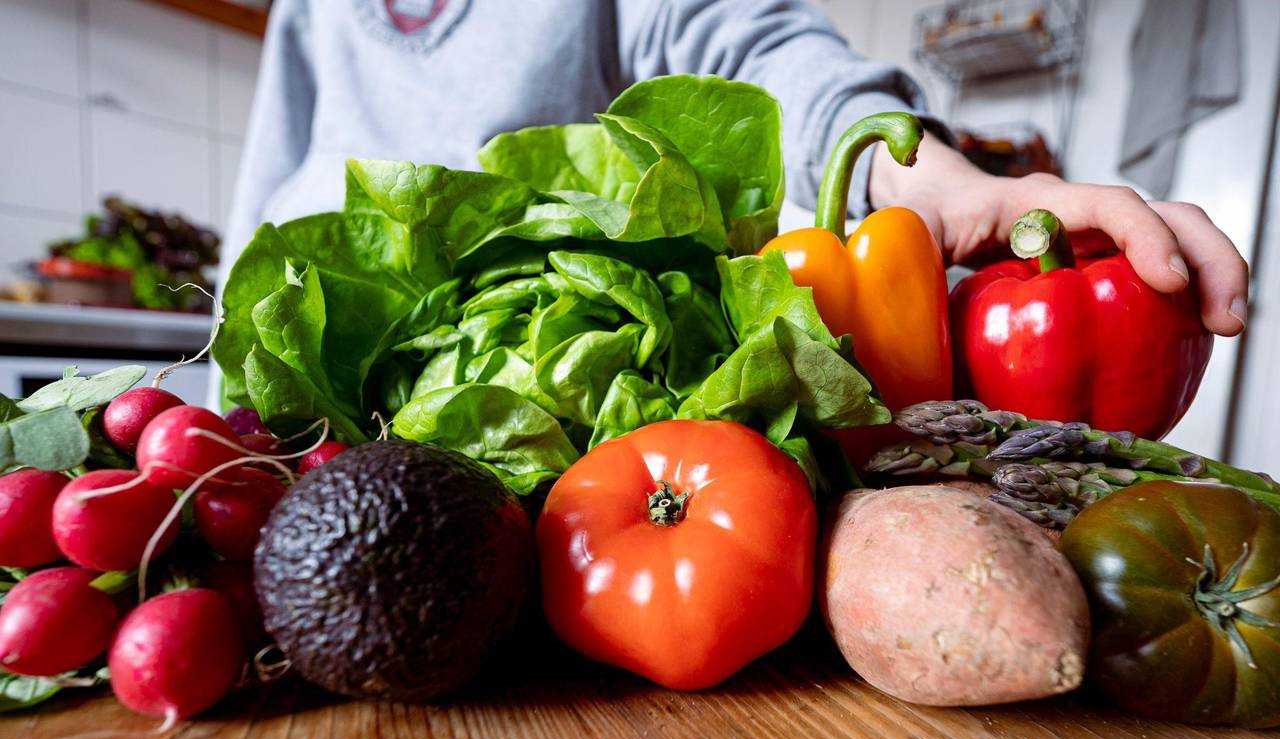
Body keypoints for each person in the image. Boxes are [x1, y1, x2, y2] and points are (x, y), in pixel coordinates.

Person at [223, 0, 1248, 340]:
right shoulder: (314, 9)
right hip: (300, 432)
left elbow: (754, 49)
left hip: (518, 428)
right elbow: (266, 197)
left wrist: (918, 170)